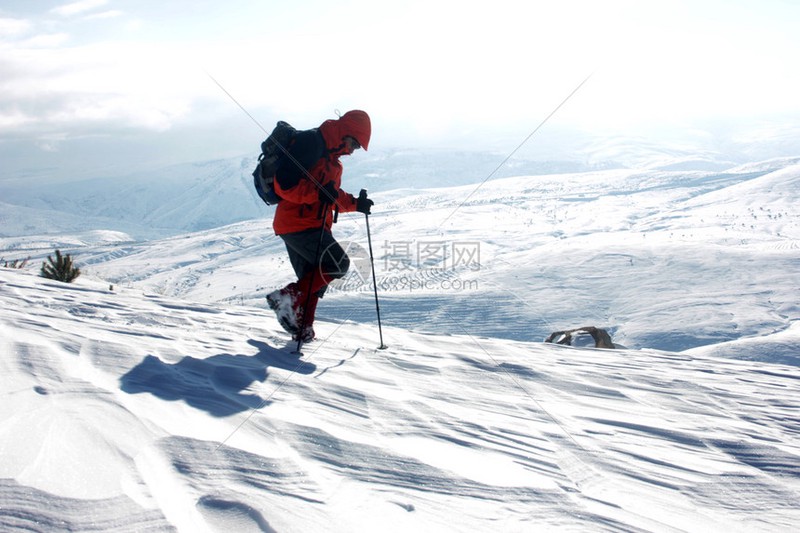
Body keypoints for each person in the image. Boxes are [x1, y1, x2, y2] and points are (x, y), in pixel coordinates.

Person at [266, 110, 374, 343]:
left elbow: (329, 195)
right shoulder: (311, 143)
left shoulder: (332, 162)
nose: (353, 150)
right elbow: (284, 185)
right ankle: (287, 296)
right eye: (355, 144)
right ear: (346, 132)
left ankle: (303, 328)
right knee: (337, 263)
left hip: (304, 224)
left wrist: (356, 204)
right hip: (299, 223)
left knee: (313, 279)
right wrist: (318, 193)